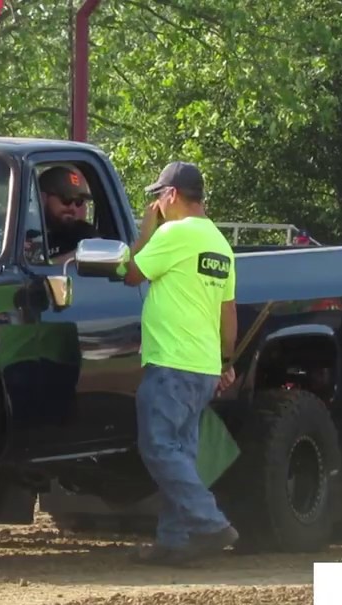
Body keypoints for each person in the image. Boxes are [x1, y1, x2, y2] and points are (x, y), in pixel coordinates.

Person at [119, 161, 240, 565]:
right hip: (204, 367)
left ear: (171, 195)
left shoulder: (174, 233)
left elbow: (132, 274)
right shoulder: (219, 244)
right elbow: (228, 312)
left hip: (171, 363)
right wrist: (226, 360)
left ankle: (210, 523)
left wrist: (145, 230)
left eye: (158, 196)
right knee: (181, 453)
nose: (156, 203)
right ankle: (175, 540)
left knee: (158, 447)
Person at [37, 166, 99, 264]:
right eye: (66, 199)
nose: (73, 208)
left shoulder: (82, 234)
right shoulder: (22, 232)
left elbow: (98, 250)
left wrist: (50, 264)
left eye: (79, 201)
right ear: (42, 198)